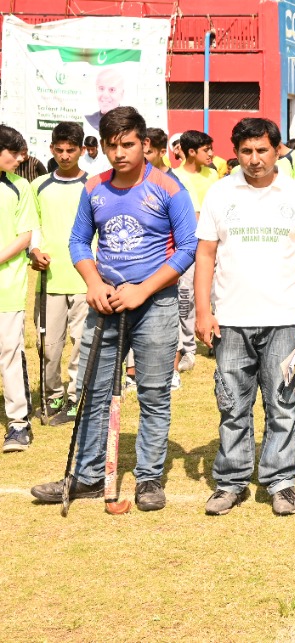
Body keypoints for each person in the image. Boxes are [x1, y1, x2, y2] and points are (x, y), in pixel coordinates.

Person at [30, 106, 196, 510]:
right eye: (110, 145)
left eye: (127, 144)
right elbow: (77, 242)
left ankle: (149, 480)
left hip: (154, 304)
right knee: (94, 391)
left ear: (144, 144)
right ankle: (86, 477)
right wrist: (94, 283)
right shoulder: (94, 188)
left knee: (154, 394)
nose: (118, 153)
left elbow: (188, 247)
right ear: (101, 146)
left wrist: (143, 290)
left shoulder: (169, 188)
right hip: (105, 304)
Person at [194, 118, 295, 517]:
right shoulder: (220, 193)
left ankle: (281, 483)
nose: (254, 159)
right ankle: (231, 481)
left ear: (276, 151)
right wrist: (203, 311)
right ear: (235, 152)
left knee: (282, 403)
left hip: (285, 320)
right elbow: (205, 255)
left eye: (262, 150)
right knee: (233, 405)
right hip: (231, 320)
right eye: (246, 151)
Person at [28, 122, 89, 427]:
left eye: (71, 150)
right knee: (48, 345)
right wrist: (33, 252)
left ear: (81, 150)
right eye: (60, 150)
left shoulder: (94, 185)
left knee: (81, 342)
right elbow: (33, 227)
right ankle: (53, 395)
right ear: (51, 149)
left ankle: (76, 398)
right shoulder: (38, 186)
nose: (65, 155)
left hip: (85, 278)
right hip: (50, 279)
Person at [171, 131, 220, 377]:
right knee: (186, 297)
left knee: (218, 293)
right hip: (190, 248)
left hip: (216, 246)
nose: (212, 154)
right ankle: (188, 348)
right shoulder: (176, 177)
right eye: (206, 150)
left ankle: (217, 340)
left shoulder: (213, 175)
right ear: (191, 152)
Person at [0, 126, 37, 453]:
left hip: (7, 287)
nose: (21, 159)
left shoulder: (20, 187)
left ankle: (18, 424)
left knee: (9, 353)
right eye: (16, 153)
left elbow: (25, 235)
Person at [84, 68, 124, 132]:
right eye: (101, 88)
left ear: (121, 94)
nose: (105, 95)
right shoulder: (88, 121)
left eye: (112, 90)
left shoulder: (130, 124)